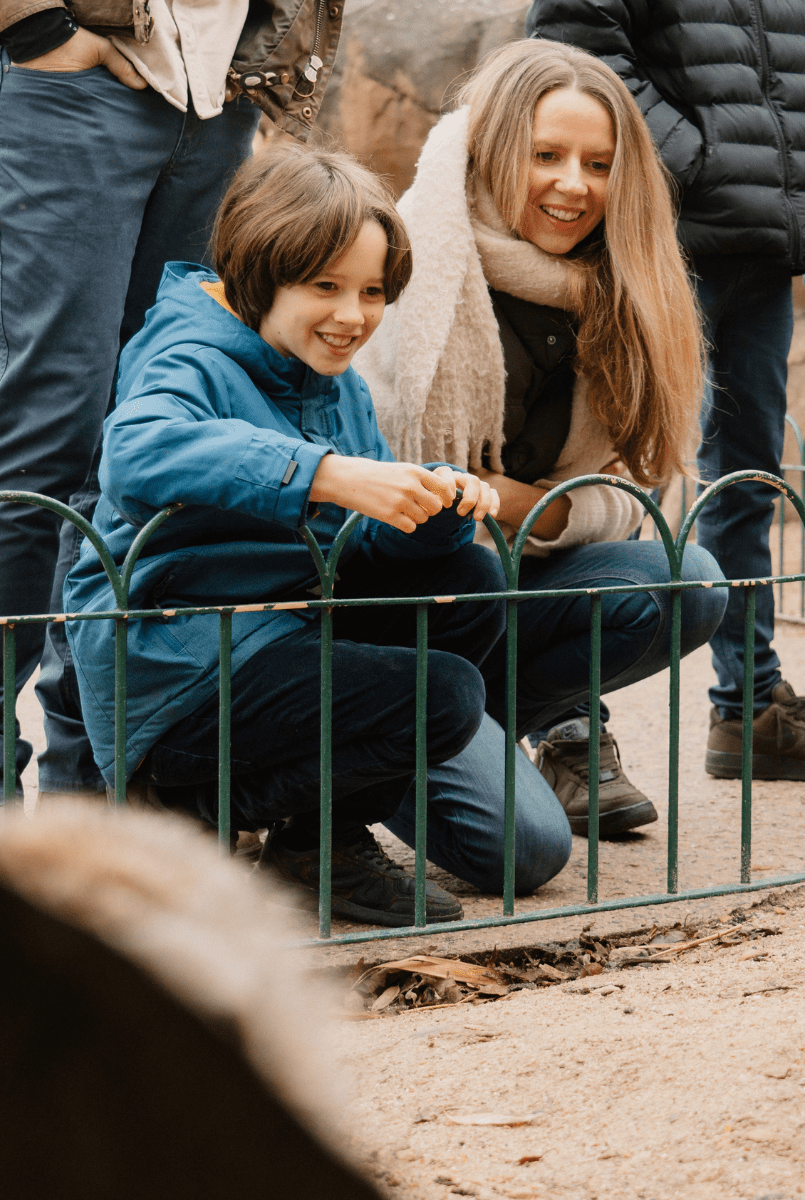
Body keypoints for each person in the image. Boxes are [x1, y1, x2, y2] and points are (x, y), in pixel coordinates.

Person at [64, 146, 573, 926]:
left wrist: (430, 508)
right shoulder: (189, 352)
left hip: (288, 633)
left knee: (466, 586)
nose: (353, 316)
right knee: (446, 694)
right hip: (182, 672)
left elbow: (357, 555)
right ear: (258, 272)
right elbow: (137, 449)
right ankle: (183, 803)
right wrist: (328, 474)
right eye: (325, 287)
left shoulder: (332, 383)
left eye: (372, 292)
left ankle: (317, 847)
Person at [355, 39, 728, 839]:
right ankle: (378, 740)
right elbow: (385, 472)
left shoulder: (625, 286)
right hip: (404, 601)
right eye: (546, 156)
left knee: (688, 581)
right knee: (527, 851)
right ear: (492, 152)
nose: (574, 185)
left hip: (528, 577)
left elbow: (640, 495)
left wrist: (530, 506)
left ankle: (498, 726)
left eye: (598, 164)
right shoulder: (401, 257)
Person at [0, 0, 343, 807]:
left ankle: (91, 786)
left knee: (143, 433)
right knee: (47, 432)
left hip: (216, 97)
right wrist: (37, 23)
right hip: (76, 79)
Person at [525, 0, 805, 783]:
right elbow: (576, 54)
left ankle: (749, 708)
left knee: (746, 479)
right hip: (657, 235)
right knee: (588, 467)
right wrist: (697, 163)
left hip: (763, 240)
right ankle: (573, 731)